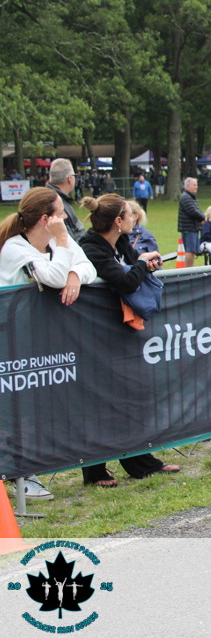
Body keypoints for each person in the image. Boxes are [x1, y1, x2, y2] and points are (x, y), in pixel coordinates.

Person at [0, 187, 98, 500]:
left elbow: (89, 267)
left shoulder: (56, 242)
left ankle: (25, 472)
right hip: (9, 342)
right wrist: (65, 246)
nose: (66, 219)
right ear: (46, 219)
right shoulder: (15, 248)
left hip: (33, 340)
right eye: (60, 214)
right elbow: (54, 277)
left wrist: (75, 275)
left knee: (29, 407)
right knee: (14, 409)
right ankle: (19, 476)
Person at [78, 194, 180, 486]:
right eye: (129, 214)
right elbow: (125, 281)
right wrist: (141, 267)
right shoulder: (91, 247)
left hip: (120, 329)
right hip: (94, 333)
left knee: (129, 397)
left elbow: (133, 268)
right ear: (117, 221)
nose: (135, 217)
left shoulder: (120, 241)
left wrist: (144, 264)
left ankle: (140, 463)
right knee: (99, 402)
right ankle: (95, 471)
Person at [45, 158, 86, 242]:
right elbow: (71, 238)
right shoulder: (58, 203)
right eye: (74, 176)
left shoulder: (46, 197)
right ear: (70, 179)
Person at [176, 177, 205, 268]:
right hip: (189, 228)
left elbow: (196, 210)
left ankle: (190, 269)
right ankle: (188, 270)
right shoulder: (186, 197)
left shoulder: (190, 197)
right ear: (187, 186)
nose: (196, 187)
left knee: (193, 251)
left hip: (193, 227)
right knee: (190, 250)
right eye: (194, 185)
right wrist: (203, 218)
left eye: (196, 185)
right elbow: (193, 211)